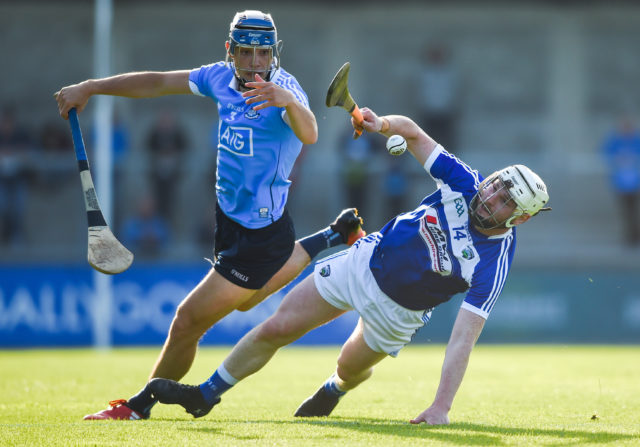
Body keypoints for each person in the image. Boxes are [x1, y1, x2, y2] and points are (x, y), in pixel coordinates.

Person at [145, 106, 551, 425]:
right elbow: (411, 133)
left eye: (505, 201)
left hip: (398, 313)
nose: (491, 197)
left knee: (349, 366)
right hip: (362, 260)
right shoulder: (464, 181)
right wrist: (381, 123)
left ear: (521, 218)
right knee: (278, 327)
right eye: (497, 185)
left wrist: (440, 406)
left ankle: (335, 389)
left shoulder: (495, 260)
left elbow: (463, 339)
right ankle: (205, 395)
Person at [54, 10, 365, 420]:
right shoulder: (218, 77)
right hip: (231, 224)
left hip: (259, 236)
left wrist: (287, 101)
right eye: (246, 52)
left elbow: (310, 132)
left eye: (263, 52)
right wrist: (91, 87)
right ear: (229, 51)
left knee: (187, 321)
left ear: (274, 53)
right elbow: (160, 82)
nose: (255, 62)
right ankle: (333, 236)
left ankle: (137, 407)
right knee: (242, 303)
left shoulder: (284, 91)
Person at [601, 116, 640, 246]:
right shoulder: (615, 141)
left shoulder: (636, 140)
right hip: (622, 184)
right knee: (627, 211)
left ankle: (634, 235)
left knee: (634, 210)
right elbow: (605, 153)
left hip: (636, 183)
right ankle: (630, 236)